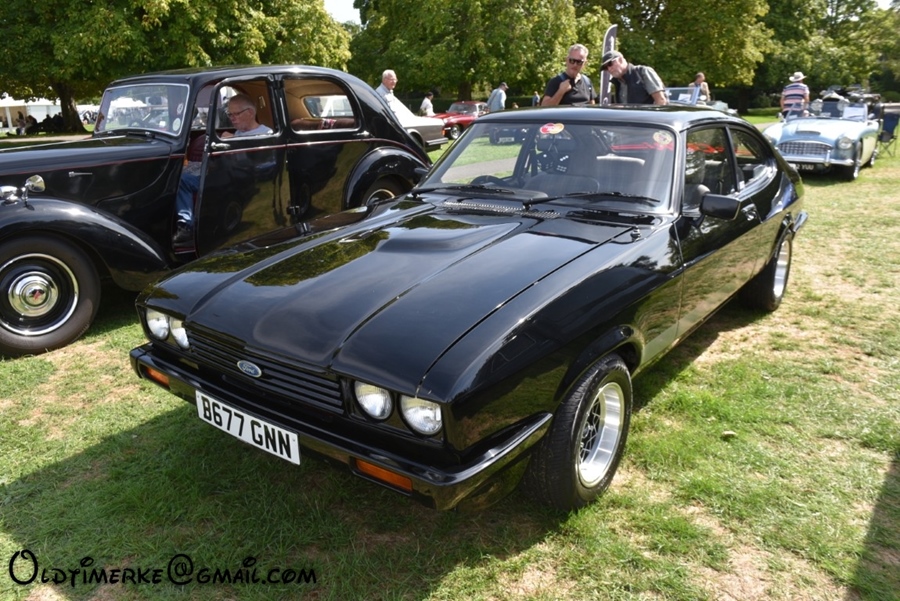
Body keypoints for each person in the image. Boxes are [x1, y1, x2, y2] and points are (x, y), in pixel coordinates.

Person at [173, 93, 273, 245]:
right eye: (229, 114)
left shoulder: (266, 134)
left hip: (241, 179)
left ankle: (198, 229)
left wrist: (234, 141)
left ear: (250, 113)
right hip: (223, 175)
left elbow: (261, 163)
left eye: (236, 114)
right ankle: (186, 225)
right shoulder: (238, 132)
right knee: (182, 179)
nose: (232, 118)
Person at [601, 50, 668, 105]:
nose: (609, 69)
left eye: (610, 64)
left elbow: (661, 100)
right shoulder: (617, 82)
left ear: (620, 60)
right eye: (605, 68)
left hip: (648, 117)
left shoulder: (643, 72)